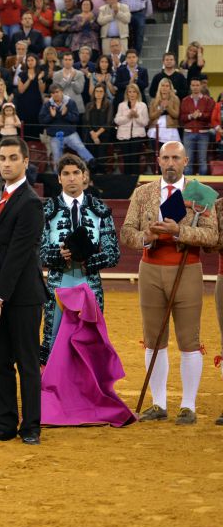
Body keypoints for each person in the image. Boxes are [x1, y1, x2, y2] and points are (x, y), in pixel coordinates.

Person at [119, 141, 219, 425]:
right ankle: (158, 403)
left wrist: (180, 232)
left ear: (186, 161)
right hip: (150, 269)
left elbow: (212, 237)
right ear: (158, 161)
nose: (171, 163)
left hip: (187, 270)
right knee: (153, 340)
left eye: (176, 158)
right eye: (166, 158)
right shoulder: (143, 193)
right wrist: (145, 238)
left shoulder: (201, 193)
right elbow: (126, 232)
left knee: (189, 340)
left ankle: (188, 405)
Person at [0, 137, 47, 446]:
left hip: (21, 298)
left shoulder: (30, 202)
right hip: (0, 294)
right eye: (1, 158)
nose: (5, 163)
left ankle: (31, 426)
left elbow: (17, 257)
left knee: (27, 363)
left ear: (25, 162)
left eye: (11, 158)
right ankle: (5, 424)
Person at [39, 155, 120, 365]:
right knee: (52, 339)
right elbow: (37, 252)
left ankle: (86, 394)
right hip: (58, 282)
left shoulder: (100, 210)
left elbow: (113, 254)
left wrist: (90, 260)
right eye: (66, 174)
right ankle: (51, 393)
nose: (71, 178)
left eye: (76, 173)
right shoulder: (47, 211)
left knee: (90, 340)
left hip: (89, 283)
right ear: (59, 178)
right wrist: (57, 255)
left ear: (84, 176)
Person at [180, 77, 214, 176]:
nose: (195, 87)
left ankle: (202, 186)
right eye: (193, 85)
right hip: (188, 133)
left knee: (202, 160)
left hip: (203, 133)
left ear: (201, 86)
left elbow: (210, 116)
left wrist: (200, 115)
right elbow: (182, 117)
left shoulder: (208, 100)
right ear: (190, 87)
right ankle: (187, 186)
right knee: (188, 161)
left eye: (197, 85)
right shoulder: (185, 100)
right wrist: (191, 116)